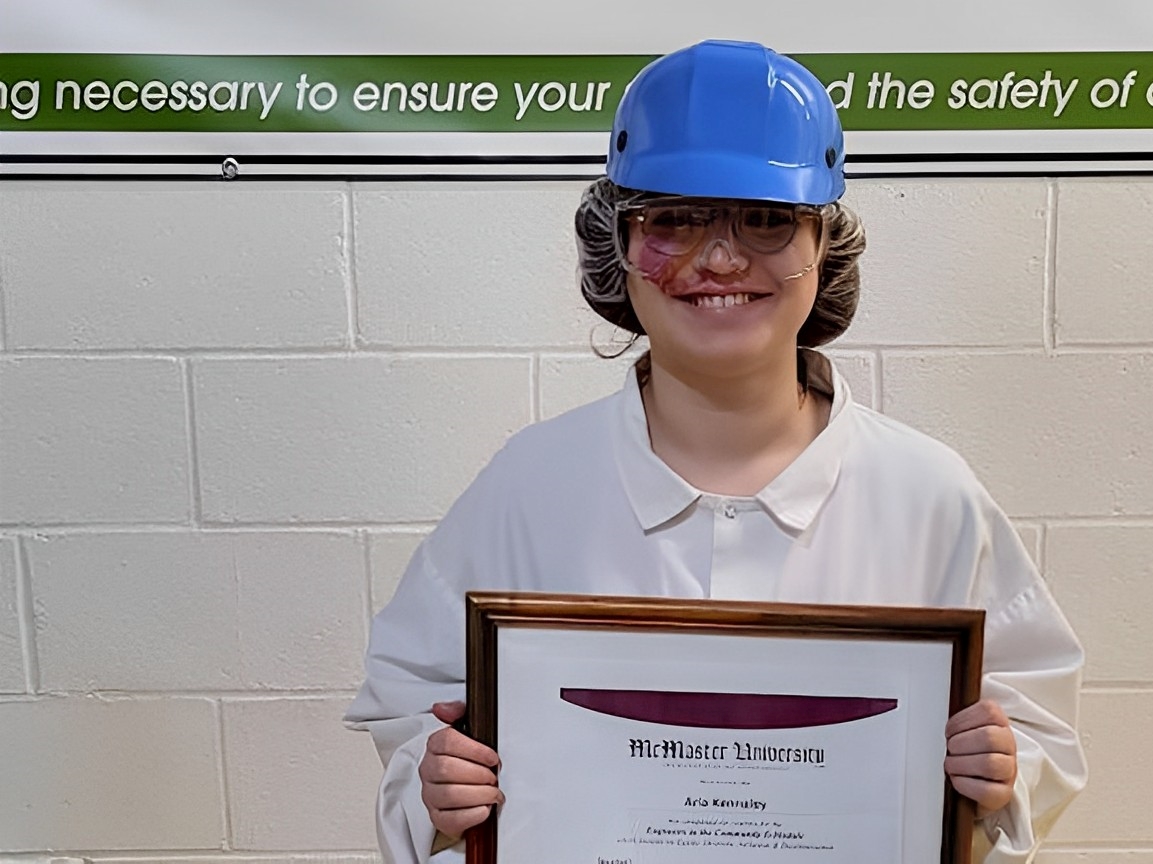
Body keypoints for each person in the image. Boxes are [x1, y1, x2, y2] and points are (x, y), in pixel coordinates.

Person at [345, 39, 1086, 864]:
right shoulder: (531, 485)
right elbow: (411, 706)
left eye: (766, 218)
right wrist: (437, 782)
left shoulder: (927, 494)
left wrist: (1004, 774)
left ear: (824, 247)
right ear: (617, 246)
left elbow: (1036, 721)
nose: (722, 257)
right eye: (673, 220)